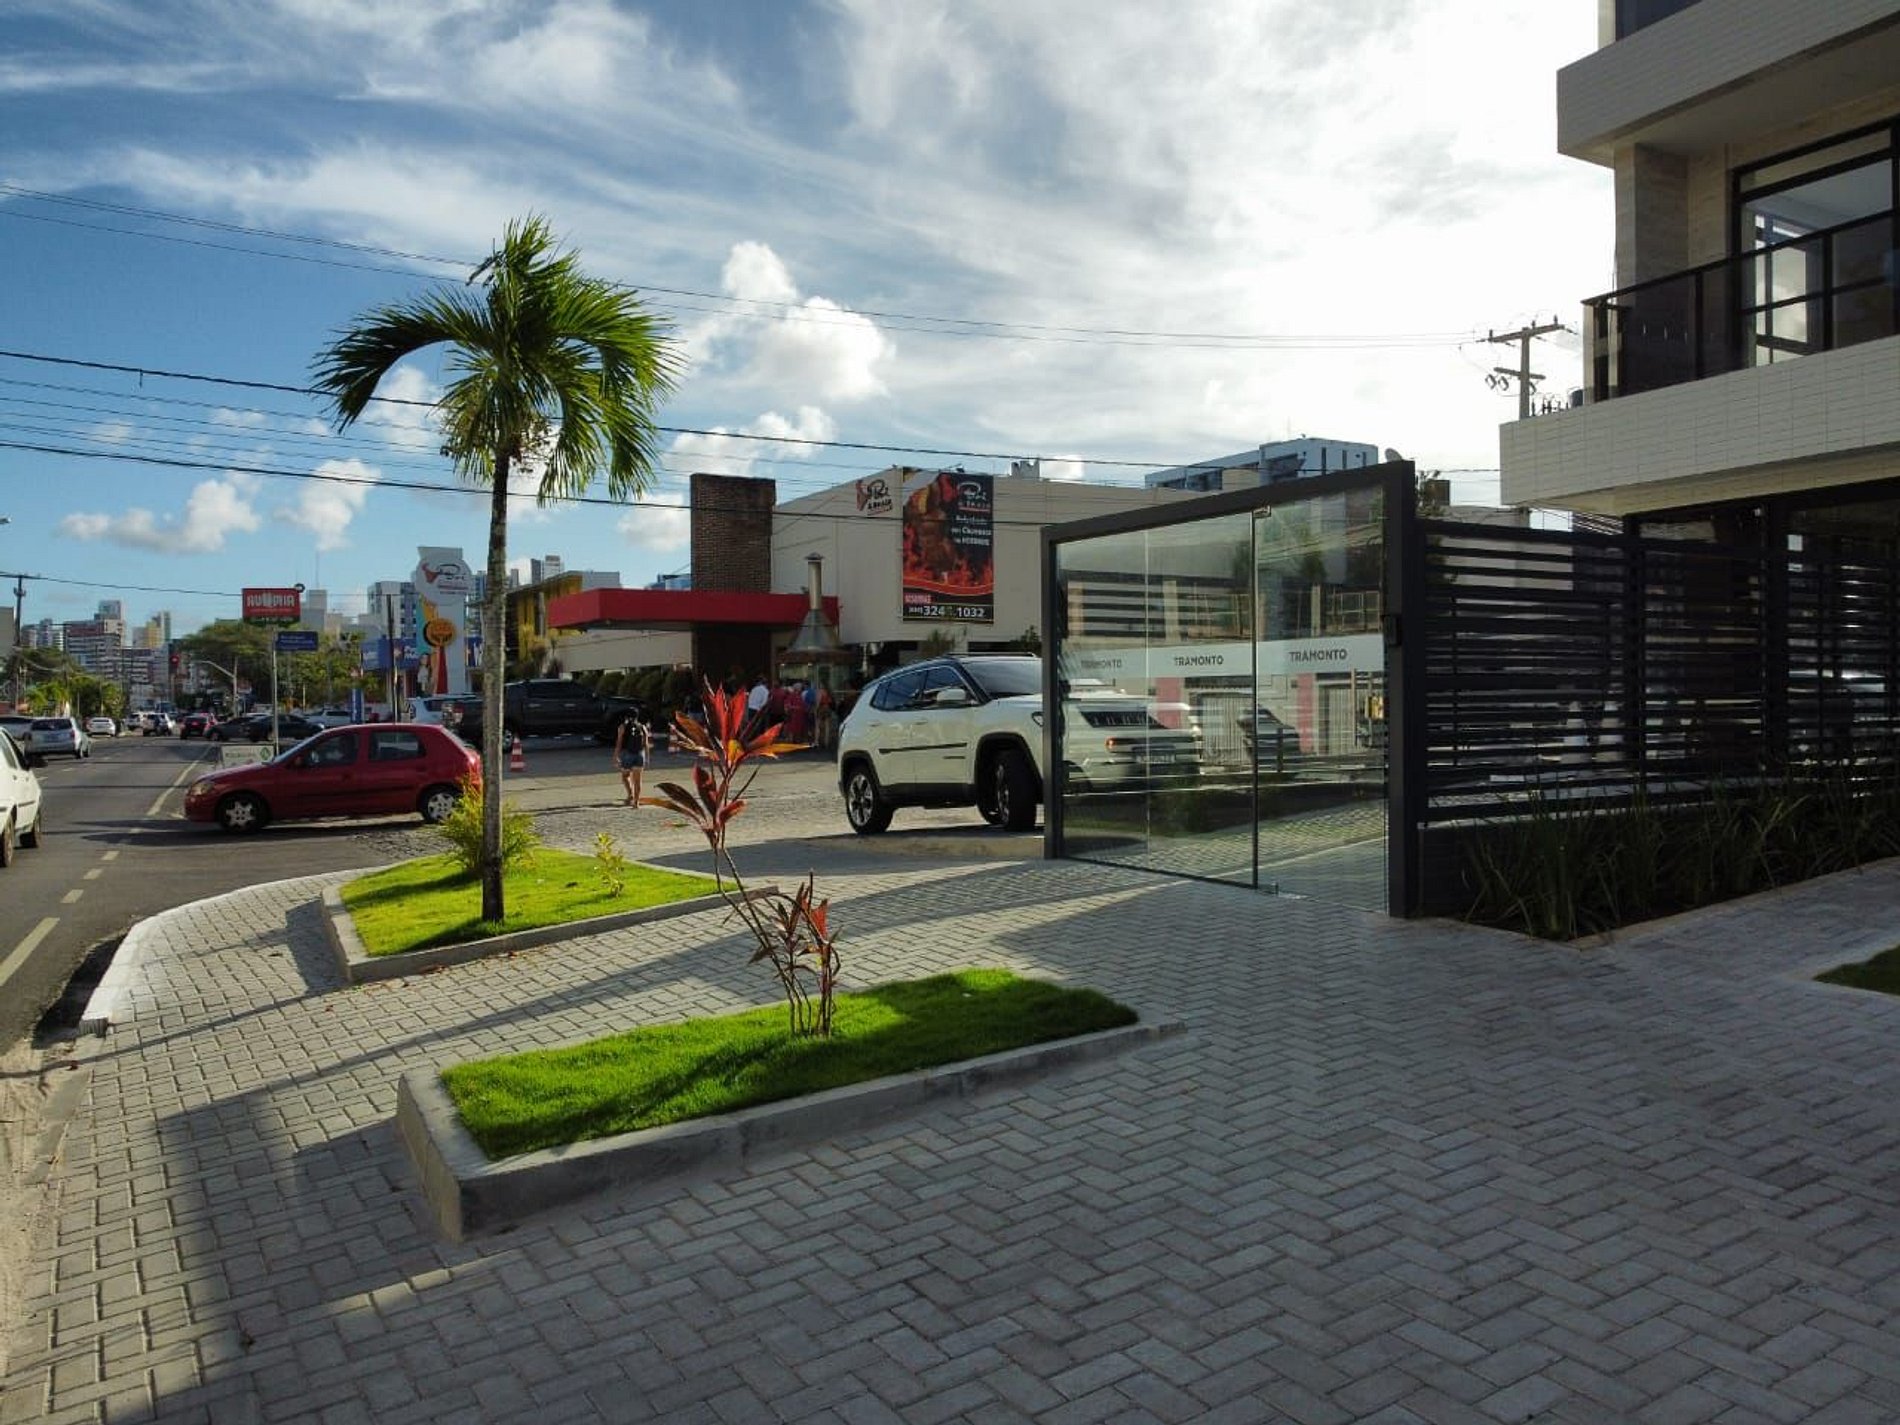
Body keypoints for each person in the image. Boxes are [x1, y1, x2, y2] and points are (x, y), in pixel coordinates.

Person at [612, 704, 652, 806]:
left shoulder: (623, 727)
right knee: (638, 780)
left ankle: (630, 794)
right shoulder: (642, 727)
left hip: (627, 754)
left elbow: (619, 743)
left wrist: (615, 756)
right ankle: (636, 802)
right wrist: (647, 757)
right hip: (640, 754)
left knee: (625, 776)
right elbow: (646, 744)